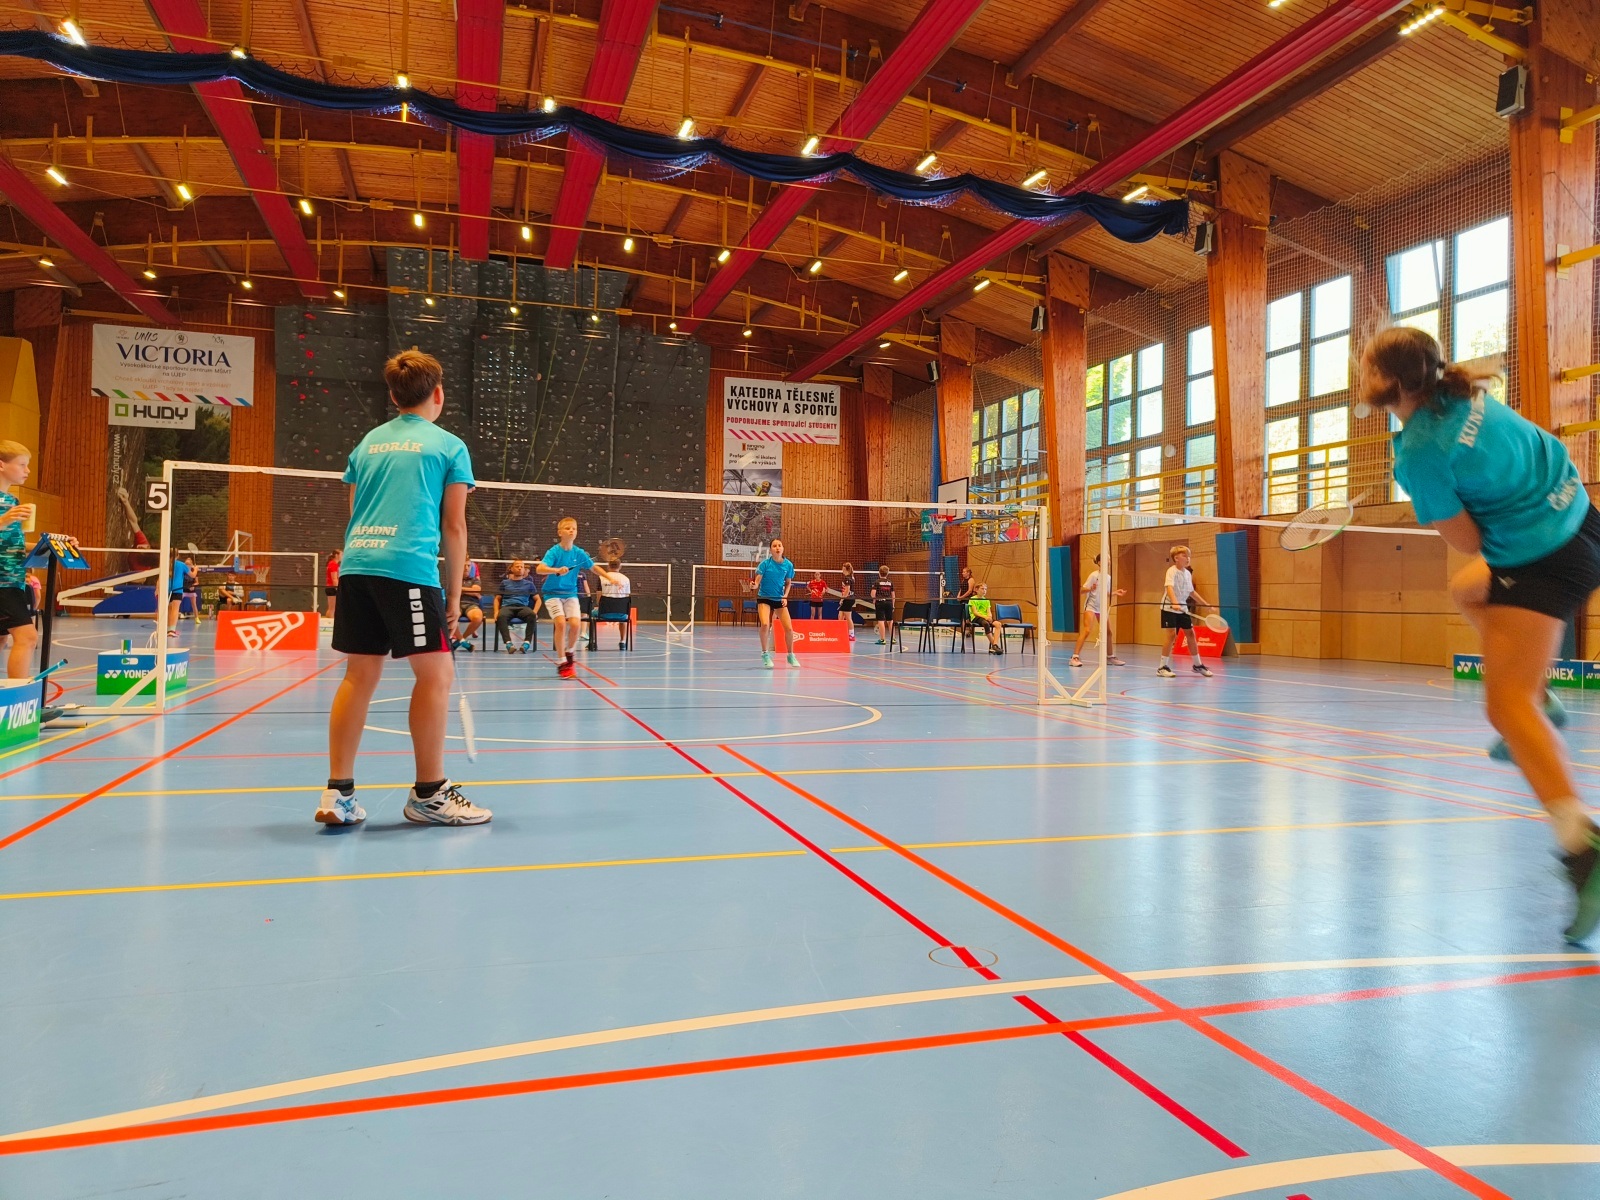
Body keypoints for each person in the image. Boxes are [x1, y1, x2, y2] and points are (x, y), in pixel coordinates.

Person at [1361, 324, 1600, 942]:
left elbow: (1468, 539)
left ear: (1387, 382)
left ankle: (1583, 846)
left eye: (1366, 366)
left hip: (1544, 560)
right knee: (1467, 589)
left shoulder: (1420, 453)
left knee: (1504, 706)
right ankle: (1540, 699)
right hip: (1582, 519)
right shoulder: (1465, 392)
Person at [315, 348, 491, 828]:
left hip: (357, 566)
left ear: (394, 397)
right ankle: (430, 794)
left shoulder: (368, 443)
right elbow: (454, 527)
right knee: (436, 676)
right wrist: (454, 596)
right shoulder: (448, 446)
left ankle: (339, 793)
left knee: (358, 676)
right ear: (439, 394)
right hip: (407, 569)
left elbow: (355, 511)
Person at [538, 517, 622, 677]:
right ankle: (562, 661)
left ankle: (570, 652)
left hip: (570, 593)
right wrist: (556, 570)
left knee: (576, 625)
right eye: (567, 528)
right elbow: (540, 569)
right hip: (552, 594)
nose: (571, 530)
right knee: (560, 623)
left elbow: (594, 568)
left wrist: (609, 578)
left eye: (574, 528)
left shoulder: (579, 553)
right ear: (560, 532)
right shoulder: (554, 552)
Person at [0, 441, 39, 682]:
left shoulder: (13, 501)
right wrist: (4, 519)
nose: (27, 470)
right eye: (22, 465)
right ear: (2, 465)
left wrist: (56, 542)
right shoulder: (9, 511)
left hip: (15, 580)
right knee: (27, 637)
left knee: (2, 638)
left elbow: (16, 542)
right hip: (1, 583)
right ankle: (18, 695)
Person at [742, 537, 800, 669]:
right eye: (774, 546)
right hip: (764, 597)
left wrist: (785, 596)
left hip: (779, 598)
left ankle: (791, 655)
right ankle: (765, 654)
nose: (777, 548)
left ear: (783, 548)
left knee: (789, 628)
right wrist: (754, 585)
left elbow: (788, 583)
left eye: (779, 545)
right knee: (765, 624)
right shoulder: (765, 564)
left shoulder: (788, 565)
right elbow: (757, 581)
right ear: (771, 550)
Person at [1157, 545, 1213, 678]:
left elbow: (1191, 592)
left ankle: (1198, 665)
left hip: (1182, 609)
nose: (1188, 558)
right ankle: (1162, 667)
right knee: (1171, 636)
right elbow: (1169, 588)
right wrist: (1174, 602)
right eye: (1184, 556)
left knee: (1191, 634)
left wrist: (1205, 604)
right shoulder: (1171, 571)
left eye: (1189, 556)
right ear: (1176, 558)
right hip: (1169, 608)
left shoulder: (1187, 573)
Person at [1071, 554, 1126, 667]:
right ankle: (1074, 657)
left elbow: (1106, 593)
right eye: (1107, 559)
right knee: (1087, 630)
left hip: (1101, 608)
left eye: (1109, 560)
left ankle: (1110, 657)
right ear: (1100, 562)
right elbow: (1081, 590)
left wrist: (1115, 593)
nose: (1109, 561)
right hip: (1091, 606)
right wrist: (1090, 588)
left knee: (1108, 632)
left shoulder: (1108, 577)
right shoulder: (1094, 575)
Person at [495, 559, 540, 653]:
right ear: (511, 569)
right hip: (507, 607)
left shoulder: (529, 584)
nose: (519, 568)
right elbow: (497, 599)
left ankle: (526, 643)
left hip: (522, 607)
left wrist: (535, 611)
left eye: (521, 567)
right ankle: (508, 644)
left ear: (524, 570)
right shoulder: (504, 583)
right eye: (517, 566)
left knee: (532, 615)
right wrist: (496, 612)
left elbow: (538, 600)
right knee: (501, 616)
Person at [596, 540, 631, 649]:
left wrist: (599, 606)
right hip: (621, 613)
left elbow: (598, 597)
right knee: (625, 617)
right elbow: (627, 597)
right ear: (620, 566)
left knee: (591, 615)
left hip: (603, 613)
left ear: (608, 566)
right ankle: (623, 642)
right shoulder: (626, 579)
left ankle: (592, 641)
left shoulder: (601, 577)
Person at [453, 559, 485, 649]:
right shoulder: (454, 579)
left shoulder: (475, 580)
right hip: (456, 604)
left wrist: (460, 589)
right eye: (464, 566)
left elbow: (476, 591)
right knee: (450, 617)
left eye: (468, 566)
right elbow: (451, 591)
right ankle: (462, 641)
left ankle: (461, 639)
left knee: (478, 618)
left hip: (471, 605)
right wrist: (471, 591)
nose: (466, 568)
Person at [967, 582, 1002, 655]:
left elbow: (989, 611)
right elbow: (975, 612)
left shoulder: (986, 600)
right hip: (976, 618)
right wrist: (985, 617)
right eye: (982, 589)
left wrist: (989, 617)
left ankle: (995, 645)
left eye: (985, 589)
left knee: (998, 624)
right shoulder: (972, 599)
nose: (984, 591)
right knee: (986, 624)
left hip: (986, 617)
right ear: (976, 590)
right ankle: (995, 646)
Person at [166, 552, 195, 638]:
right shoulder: (181, 565)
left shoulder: (165, 563)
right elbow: (192, 575)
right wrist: (196, 569)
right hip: (177, 589)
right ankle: (172, 630)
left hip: (167, 589)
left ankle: (168, 630)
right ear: (177, 555)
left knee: (169, 609)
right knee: (175, 609)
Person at [871, 564, 895, 646]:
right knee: (890, 621)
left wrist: (874, 599)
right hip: (889, 602)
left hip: (880, 603)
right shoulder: (890, 583)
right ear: (887, 573)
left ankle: (882, 639)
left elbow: (873, 594)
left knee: (881, 621)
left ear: (879, 573)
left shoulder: (877, 582)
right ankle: (893, 639)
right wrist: (893, 605)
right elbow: (893, 595)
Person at [838, 562, 857, 641]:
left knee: (848, 617)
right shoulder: (851, 577)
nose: (842, 570)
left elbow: (847, 590)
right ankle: (841, 632)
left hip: (848, 599)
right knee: (840, 615)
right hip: (849, 598)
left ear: (846, 569)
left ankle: (851, 635)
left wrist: (842, 599)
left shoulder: (847, 578)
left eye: (843, 568)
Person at [324, 549, 341, 620]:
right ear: (336, 555)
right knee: (332, 609)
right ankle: (330, 623)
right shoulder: (333, 564)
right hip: (332, 588)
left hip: (330, 587)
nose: (342, 556)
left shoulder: (333, 564)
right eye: (341, 555)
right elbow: (334, 578)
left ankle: (328, 621)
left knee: (331, 608)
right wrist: (337, 588)